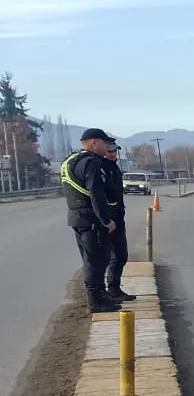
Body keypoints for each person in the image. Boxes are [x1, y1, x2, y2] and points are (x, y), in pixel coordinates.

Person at [61, 128, 120, 313]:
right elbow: (96, 193)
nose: (107, 147)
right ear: (94, 142)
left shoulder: (70, 160)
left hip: (76, 217)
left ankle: (99, 297)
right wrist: (106, 220)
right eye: (105, 143)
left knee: (90, 259)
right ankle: (96, 301)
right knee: (97, 260)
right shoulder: (92, 162)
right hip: (92, 219)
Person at [101, 141, 136, 302]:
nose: (113, 154)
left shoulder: (114, 167)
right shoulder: (101, 168)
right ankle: (106, 291)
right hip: (107, 217)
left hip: (118, 215)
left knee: (121, 255)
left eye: (115, 151)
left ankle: (114, 288)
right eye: (110, 151)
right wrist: (106, 217)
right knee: (107, 257)